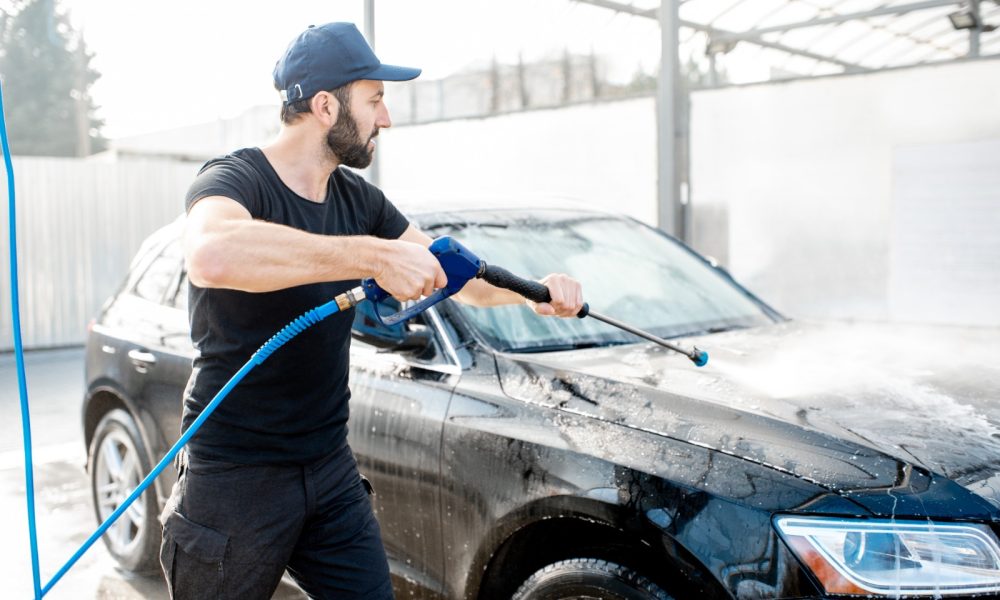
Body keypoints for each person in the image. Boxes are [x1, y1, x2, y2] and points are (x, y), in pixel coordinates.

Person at [159, 22, 584, 600]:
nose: (386, 118)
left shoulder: (359, 200)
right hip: (235, 476)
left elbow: (454, 274)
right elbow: (211, 255)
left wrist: (539, 293)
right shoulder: (235, 179)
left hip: (327, 466)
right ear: (327, 106)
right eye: (376, 99)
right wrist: (370, 254)